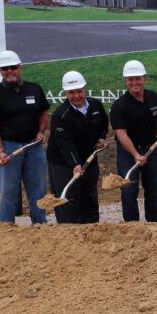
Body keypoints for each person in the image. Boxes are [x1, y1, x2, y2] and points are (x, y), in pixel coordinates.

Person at [0, 49, 49, 224]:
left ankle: (40, 225)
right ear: (0, 71)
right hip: (8, 147)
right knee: (9, 191)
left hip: (33, 147)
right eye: (5, 68)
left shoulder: (34, 89)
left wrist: (41, 131)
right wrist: (1, 151)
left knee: (38, 189)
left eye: (12, 67)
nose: (9, 71)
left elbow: (44, 112)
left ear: (20, 68)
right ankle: (5, 227)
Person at [109, 60, 157, 222]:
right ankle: (132, 227)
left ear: (145, 79)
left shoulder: (153, 97)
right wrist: (136, 154)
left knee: (153, 189)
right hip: (128, 153)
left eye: (138, 78)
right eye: (130, 79)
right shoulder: (119, 106)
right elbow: (122, 135)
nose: (134, 82)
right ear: (126, 81)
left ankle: (153, 223)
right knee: (129, 191)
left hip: (151, 150)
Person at [47, 70, 108, 224]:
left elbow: (102, 123)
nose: (76, 96)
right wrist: (75, 164)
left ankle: (92, 231)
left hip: (89, 158)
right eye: (71, 92)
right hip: (63, 163)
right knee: (67, 200)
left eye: (79, 91)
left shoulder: (95, 105)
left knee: (89, 196)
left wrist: (101, 137)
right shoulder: (61, 115)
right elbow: (65, 143)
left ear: (85, 89)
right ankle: (70, 236)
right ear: (65, 92)